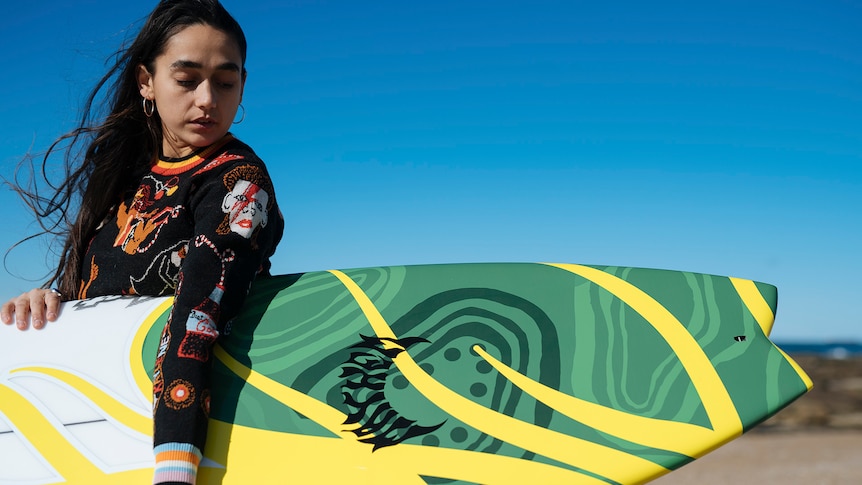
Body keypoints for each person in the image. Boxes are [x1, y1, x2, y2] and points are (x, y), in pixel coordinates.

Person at [0, 1, 284, 484]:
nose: (208, 99)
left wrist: (175, 466)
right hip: (92, 424)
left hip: (180, 438)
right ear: (146, 82)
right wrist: (53, 302)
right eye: (187, 78)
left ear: (243, 85)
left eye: (225, 81)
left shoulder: (238, 181)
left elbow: (197, 319)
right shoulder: (124, 177)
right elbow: (104, 285)